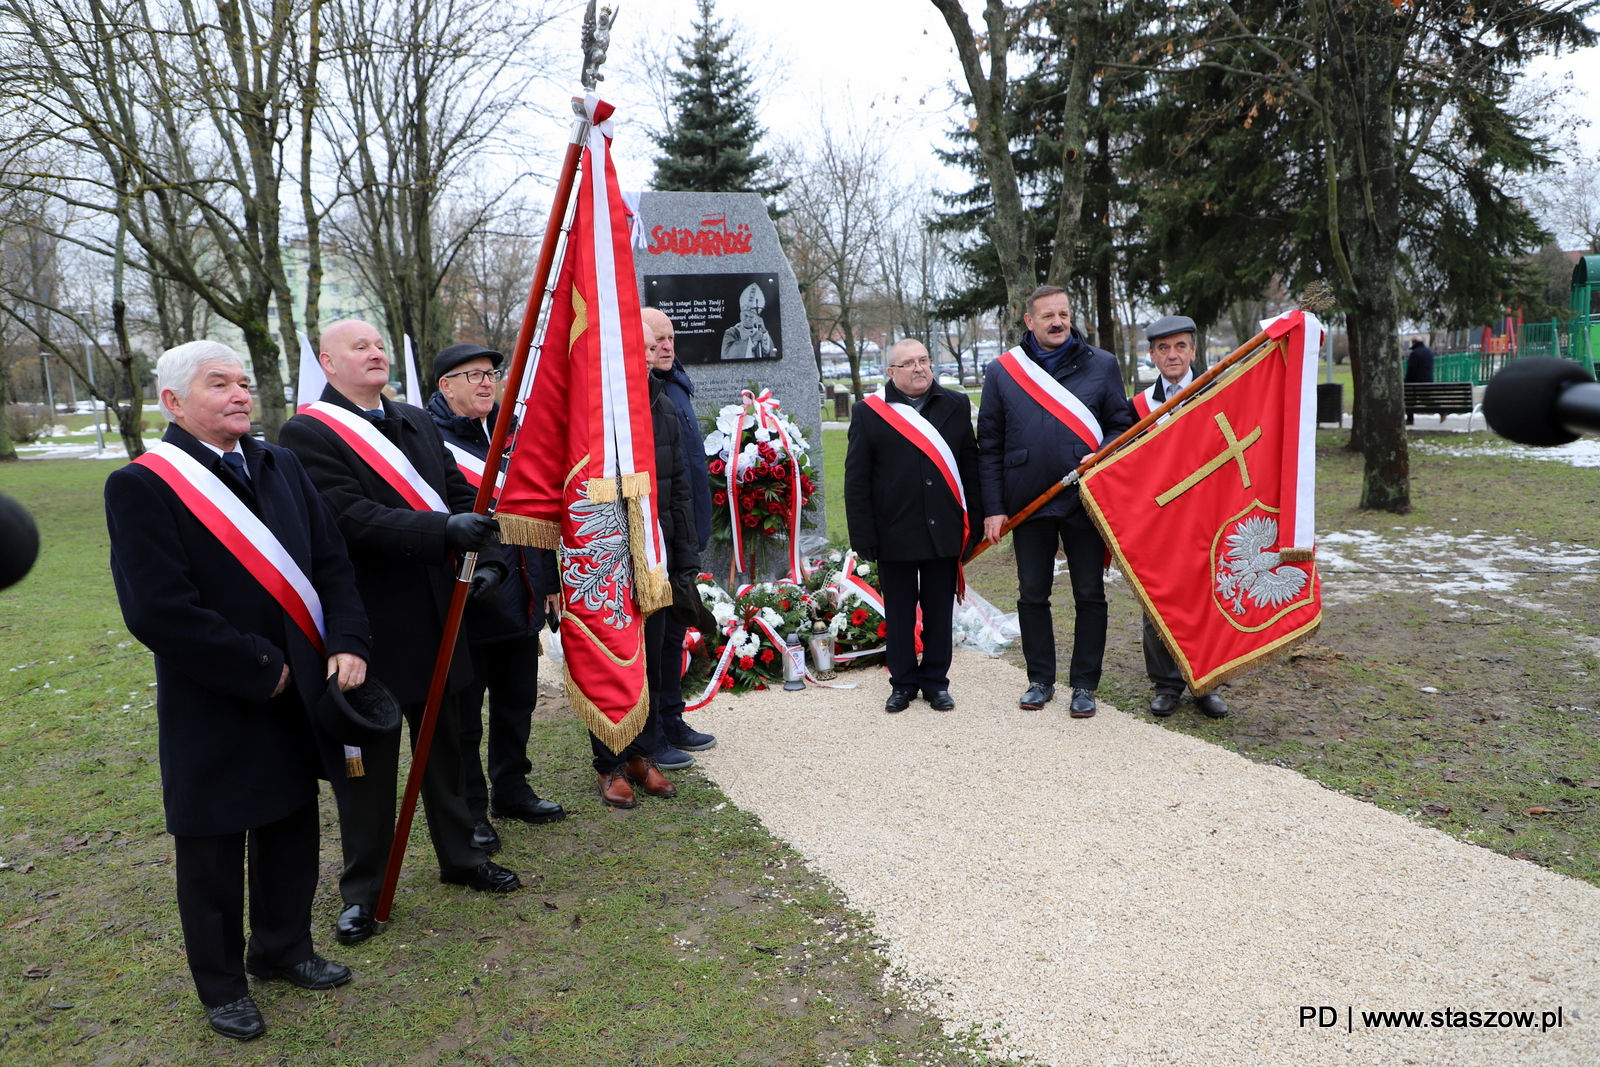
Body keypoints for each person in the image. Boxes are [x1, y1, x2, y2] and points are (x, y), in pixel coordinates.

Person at [105, 341, 370, 1040]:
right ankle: (221, 984)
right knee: (214, 846)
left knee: (290, 821)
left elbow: (331, 560)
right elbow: (159, 608)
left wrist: (347, 640)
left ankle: (282, 949)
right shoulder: (143, 484)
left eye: (243, 382)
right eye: (218, 383)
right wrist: (261, 667)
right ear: (172, 401)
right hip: (215, 698)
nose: (240, 394)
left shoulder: (277, 462)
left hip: (301, 686)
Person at [279, 319, 522, 950]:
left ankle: (461, 857)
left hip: (440, 620)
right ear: (328, 363)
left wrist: (489, 555)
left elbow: (459, 491)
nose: (376, 354)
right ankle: (363, 891)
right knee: (369, 771)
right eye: (360, 347)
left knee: (447, 750)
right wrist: (443, 532)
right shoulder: (306, 433)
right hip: (371, 627)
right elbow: (349, 517)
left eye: (380, 345)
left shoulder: (414, 421)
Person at [426, 342, 566, 856]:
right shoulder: (427, 438)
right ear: (445, 385)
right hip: (468, 600)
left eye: (492, 374)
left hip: (524, 590)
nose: (488, 382)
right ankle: (472, 810)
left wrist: (548, 579)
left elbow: (535, 515)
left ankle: (512, 789)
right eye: (475, 375)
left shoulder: (510, 436)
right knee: (465, 717)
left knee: (517, 704)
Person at [977, 285, 1132, 717]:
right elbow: (988, 444)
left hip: (1086, 500)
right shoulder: (1004, 371)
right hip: (1028, 502)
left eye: (1063, 313)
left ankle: (1085, 685)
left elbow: (1122, 427)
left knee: (1090, 594)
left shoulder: (1102, 364)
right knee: (1032, 595)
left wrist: (1104, 451)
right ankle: (1040, 680)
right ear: (1029, 321)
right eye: (1047, 316)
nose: (1058, 322)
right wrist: (993, 507)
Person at [594, 313, 705, 807]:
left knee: (654, 660)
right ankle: (611, 763)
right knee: (612, 661)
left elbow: (678, 488)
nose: (652, 354)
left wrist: (684, 559)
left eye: (655, 346)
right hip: (608, 557)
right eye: (642, 347)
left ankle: (644, 755)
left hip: (655, 552)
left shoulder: (661, 402)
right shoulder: (598, 407)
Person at [845, 338, 979, 713]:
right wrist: (864, 535)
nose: (919, 368)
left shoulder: (955, 404)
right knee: (900, 614)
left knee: (939, 610)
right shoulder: (869, 412)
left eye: (924, 360)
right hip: (894, 531)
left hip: (945, 529)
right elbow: (856, 480)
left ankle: (936, 682)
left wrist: (976, 524)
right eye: (909, 363)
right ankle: (902, 684)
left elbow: (970, 466)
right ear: (891, 372)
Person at [1127, 316, 1230, 720]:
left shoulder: (1217, 391)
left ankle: (1208, 683)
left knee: (1209, 600)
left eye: (1181, 347)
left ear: (1193, 351)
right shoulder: (1138, 406)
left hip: (1209, 514)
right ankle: (1166, 684)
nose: (1173, 355)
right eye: (1164, 348)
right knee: (1159, 602)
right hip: (1160, 521)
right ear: (1152, 355)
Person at [642, 306, 716, 753]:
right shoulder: (642, 397)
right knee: (657, 639)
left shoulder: (676, 385)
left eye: (670, 339)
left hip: (682, 531)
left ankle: (672, 718)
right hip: (656, 537)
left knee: (672, 636)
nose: (667, 347)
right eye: (656, 342)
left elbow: (688, 470)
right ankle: (655, 728)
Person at [720, 283, 775, 360]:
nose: (748, 319)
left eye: (751, 317)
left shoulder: (759, 332)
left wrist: (763, 331)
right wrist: (752, 340)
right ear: (740, 316)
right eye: (745, 315)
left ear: (756, 319)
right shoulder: (732, 332)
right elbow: (726, 355)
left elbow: (769, 352)